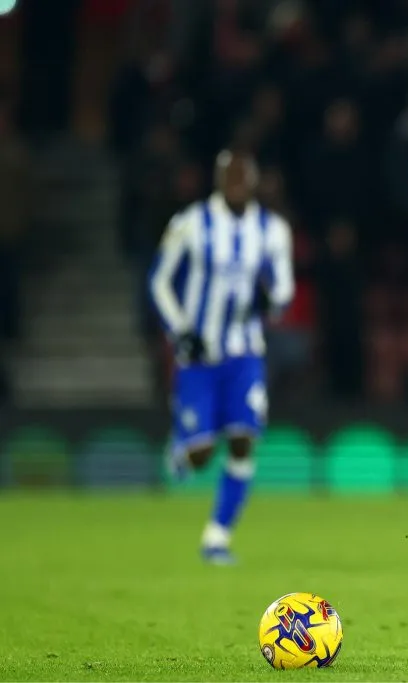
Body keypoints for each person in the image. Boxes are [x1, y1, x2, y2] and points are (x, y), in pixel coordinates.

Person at [150, 149, 294, 565]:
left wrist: (273, 300)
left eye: (242, 176)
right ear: (217, 180)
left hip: (244, 353)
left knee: (243, 440)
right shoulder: (191, 224)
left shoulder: (271, 229)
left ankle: (217, 536)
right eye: (228, 176)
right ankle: (181, 448)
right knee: (200, 456)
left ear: (252, 181)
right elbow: (159, 282)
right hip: (198, 354)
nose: (235, 183)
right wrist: (180, 330)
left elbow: (284, 289)